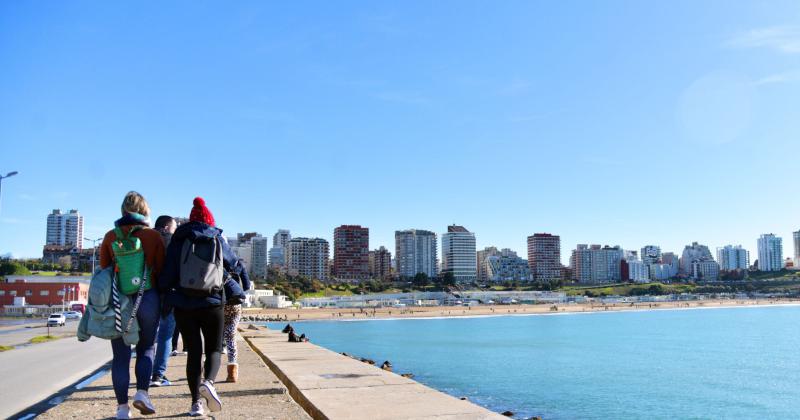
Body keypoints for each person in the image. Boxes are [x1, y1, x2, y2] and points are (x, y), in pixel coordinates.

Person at [160, 197, 239, 417]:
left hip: (184, 303)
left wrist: (164, 292)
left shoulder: (179, 237)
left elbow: (168, 272)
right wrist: (243, 284)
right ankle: (210, 382)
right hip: (213, 301)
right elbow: (234, 264)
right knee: (214, 348)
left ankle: (196, 404)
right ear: (209, 219)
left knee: (193, 351)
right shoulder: (217, 237)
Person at [99, 191, 165, 419]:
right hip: (147, 298)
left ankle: (122, 409)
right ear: (145, 211)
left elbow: (104, 272)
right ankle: (142, 394)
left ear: (123, 210)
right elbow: (161, 270)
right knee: (146, 347)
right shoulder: (153, 236)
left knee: (120, 356)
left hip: (119, 302)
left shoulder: (110, 237)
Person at [150, 215, 177, 387]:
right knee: (166, 334)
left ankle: (144, 372)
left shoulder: (146, 238)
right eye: (174, 227)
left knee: (147, 336)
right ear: (167, 227)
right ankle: (158, 375)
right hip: (169, 294)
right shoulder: (174, 242)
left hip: (147, 293)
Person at [223, 259, 251, 383]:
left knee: (212, 338)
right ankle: (232, 371)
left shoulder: (214, 259)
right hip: (234, 305)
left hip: (217, 303)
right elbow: (246, 286)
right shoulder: (238, 263)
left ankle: (207, 371)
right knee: (231, 335)